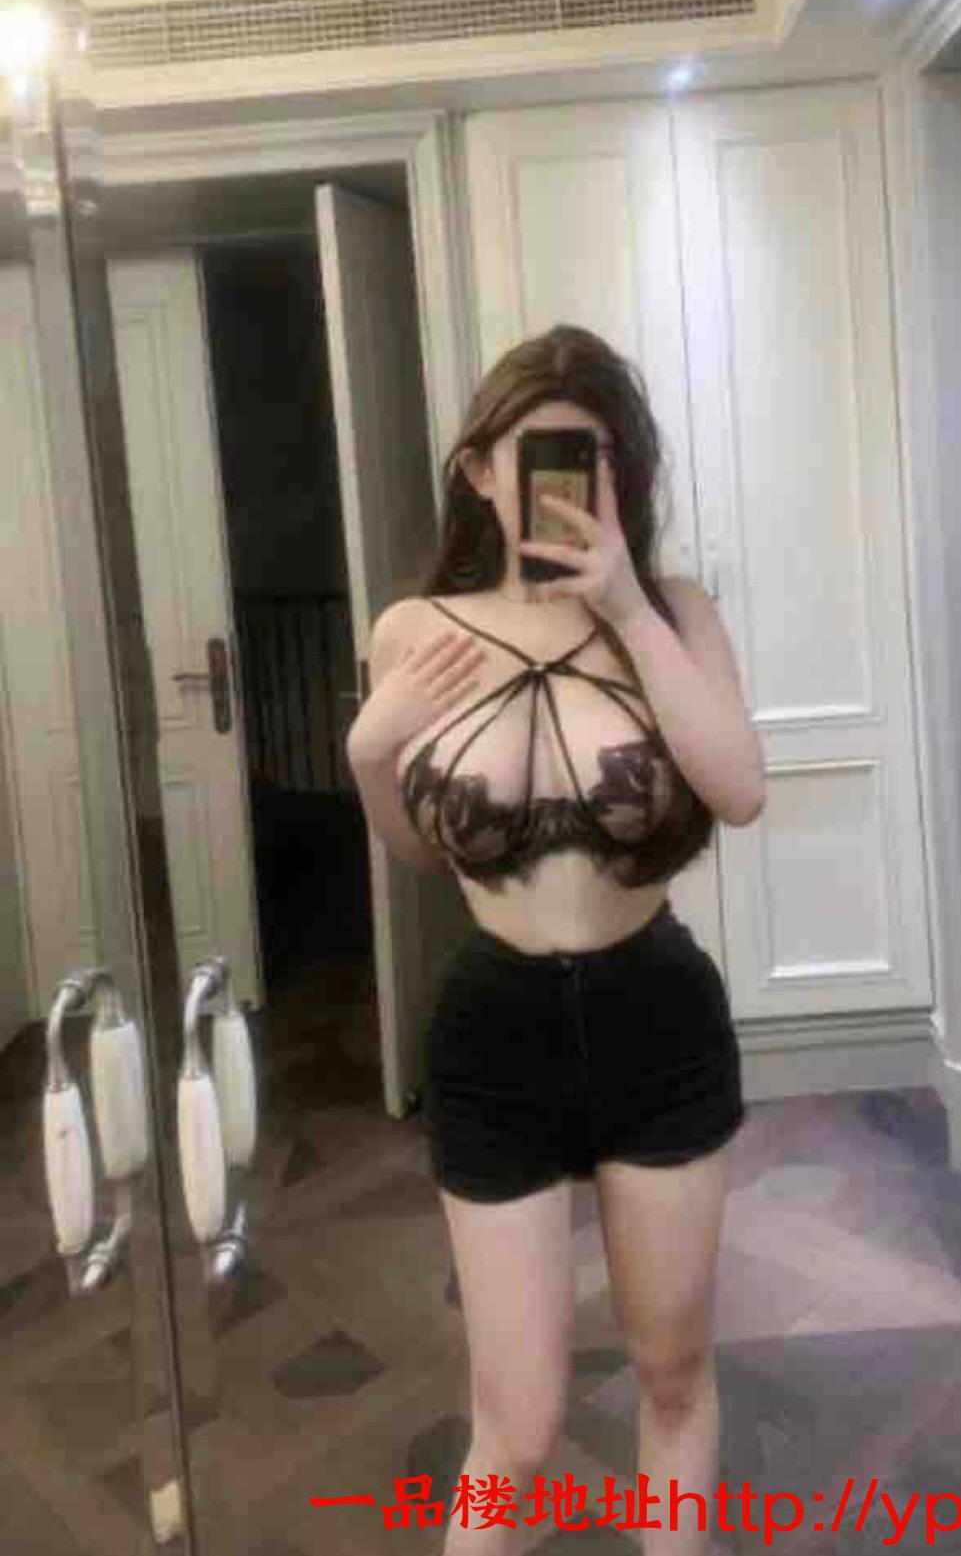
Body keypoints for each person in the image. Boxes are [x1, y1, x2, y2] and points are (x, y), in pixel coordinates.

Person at [346, 325, 765, 1556]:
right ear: (481, 471)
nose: (575, 485)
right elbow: (421, 848)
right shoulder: (414, 630)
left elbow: (739, 789)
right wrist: (369, 753)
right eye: (541, 456)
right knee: (516, 1429)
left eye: (600, 458)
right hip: (496, 1032)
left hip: (656, 1015)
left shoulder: (676, 614)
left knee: (673, 1375)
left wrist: (627, 605)